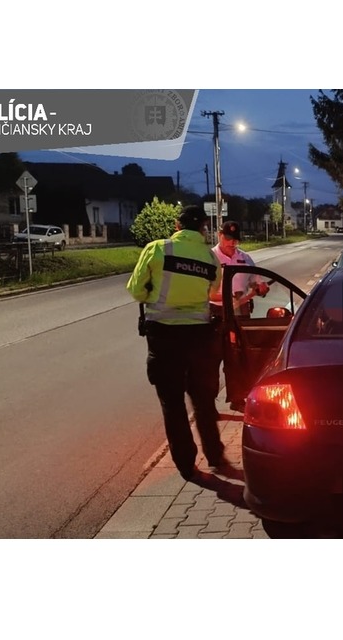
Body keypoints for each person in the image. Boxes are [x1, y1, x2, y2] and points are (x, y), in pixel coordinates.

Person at [126, 205, 228, 487]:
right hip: (201, 337)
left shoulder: (158, 249)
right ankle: (215, 454)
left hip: (164, 337)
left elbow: (136, 290)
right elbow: (212, 291)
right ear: (204, 228)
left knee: (172, 403)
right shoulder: (210, 257)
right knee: (204, 399)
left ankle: (186, 464)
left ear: (177, 225)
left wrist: (153, 293)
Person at [209, 221, 270, 412]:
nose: (232, 243)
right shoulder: (210, 257)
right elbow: (203, 290)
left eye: (235, 240)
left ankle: (237, 398)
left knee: (238, 356)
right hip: (216, 312)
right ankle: (208, 403)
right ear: (219, 235)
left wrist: (260, 287)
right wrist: (227, 297)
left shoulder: (245, 258)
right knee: (213, 358)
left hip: (241, 313)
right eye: (228, 239)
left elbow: (255, 281)